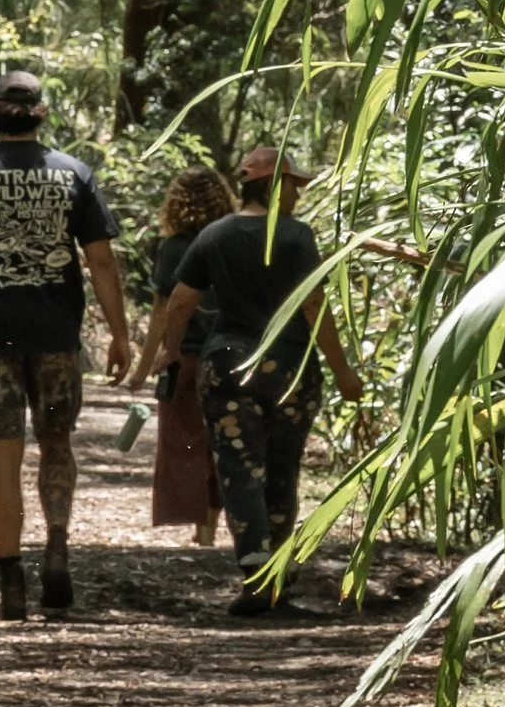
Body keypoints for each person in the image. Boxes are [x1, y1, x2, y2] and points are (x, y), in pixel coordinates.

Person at [0, 65, 130, 621]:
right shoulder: (73, 175)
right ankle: (58, 551)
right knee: (57, 443)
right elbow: (102, 261)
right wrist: (120, 334)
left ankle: (12, 581)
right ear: (41, 114)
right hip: (57, 337)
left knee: (3, 459)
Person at [147, 146, 363, 617]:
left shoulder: (213, 235)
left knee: (239, 469)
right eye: (294, 186)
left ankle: (255, 573)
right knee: (283, 470)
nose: (298, 196)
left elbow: (180, 300)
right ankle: (279, 579)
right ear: (273, 185)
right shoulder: (295, 237)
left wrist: (170, 350)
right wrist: (343, 371)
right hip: (289, 370)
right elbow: (312, 306)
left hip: (226, 367)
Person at [129, 162, 234, 543]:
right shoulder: (233, 241)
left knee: (183, 441)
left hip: (183, 357)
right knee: (221, 442)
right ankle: (211, 523)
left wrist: (143, 369)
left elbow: (163, 309)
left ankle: (200, 529)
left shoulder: (172, 248)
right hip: (230, 357)